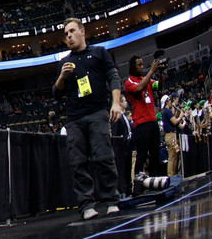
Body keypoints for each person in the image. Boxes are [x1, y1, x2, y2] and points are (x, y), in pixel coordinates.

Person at [53, 18, 122, 219]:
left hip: (97, 112)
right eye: (66, 34)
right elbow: (56, 94)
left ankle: (111, 200)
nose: (69, 36)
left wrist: (116, 103)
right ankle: (86, 205)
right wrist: (61, 78)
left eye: (72, 31)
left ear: (83, 32)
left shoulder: (99, 52)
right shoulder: (64, 62)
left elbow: (113, 76)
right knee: (78, 162)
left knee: (103, 156)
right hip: (74, 117)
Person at [124, 55, 164, 177]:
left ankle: (154, 180)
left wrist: (161, 72)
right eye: (139, 65)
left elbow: (159, 86)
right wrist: (152, 70)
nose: (142, 67)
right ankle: (138, 184)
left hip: (152, 120)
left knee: (155, 153)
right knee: (142, 154)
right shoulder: (129, 81)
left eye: (142, 64)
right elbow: (139, 88)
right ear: (133, 67)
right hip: (141, 123)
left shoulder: (146, 79)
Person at [110, 95, 134, 196]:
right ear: (119, 103)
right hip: (122, 147)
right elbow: (115, 134)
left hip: (127, 146)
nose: (126, 103)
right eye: (124, 101)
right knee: (123, 169)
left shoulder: (123, 116)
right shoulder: (117, 117)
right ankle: (123, 190)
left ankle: (128, 189)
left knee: (128, 168)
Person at [160, 95, 184, 177]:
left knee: (175, 155)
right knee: (172, 157)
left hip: (171, 135)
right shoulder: (167, 111)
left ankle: (174, 174)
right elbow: (174, 122)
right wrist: (180, 117)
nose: (171, 102)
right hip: (171, 136)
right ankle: (171, 175)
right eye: (169, 100)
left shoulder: (166, 112)